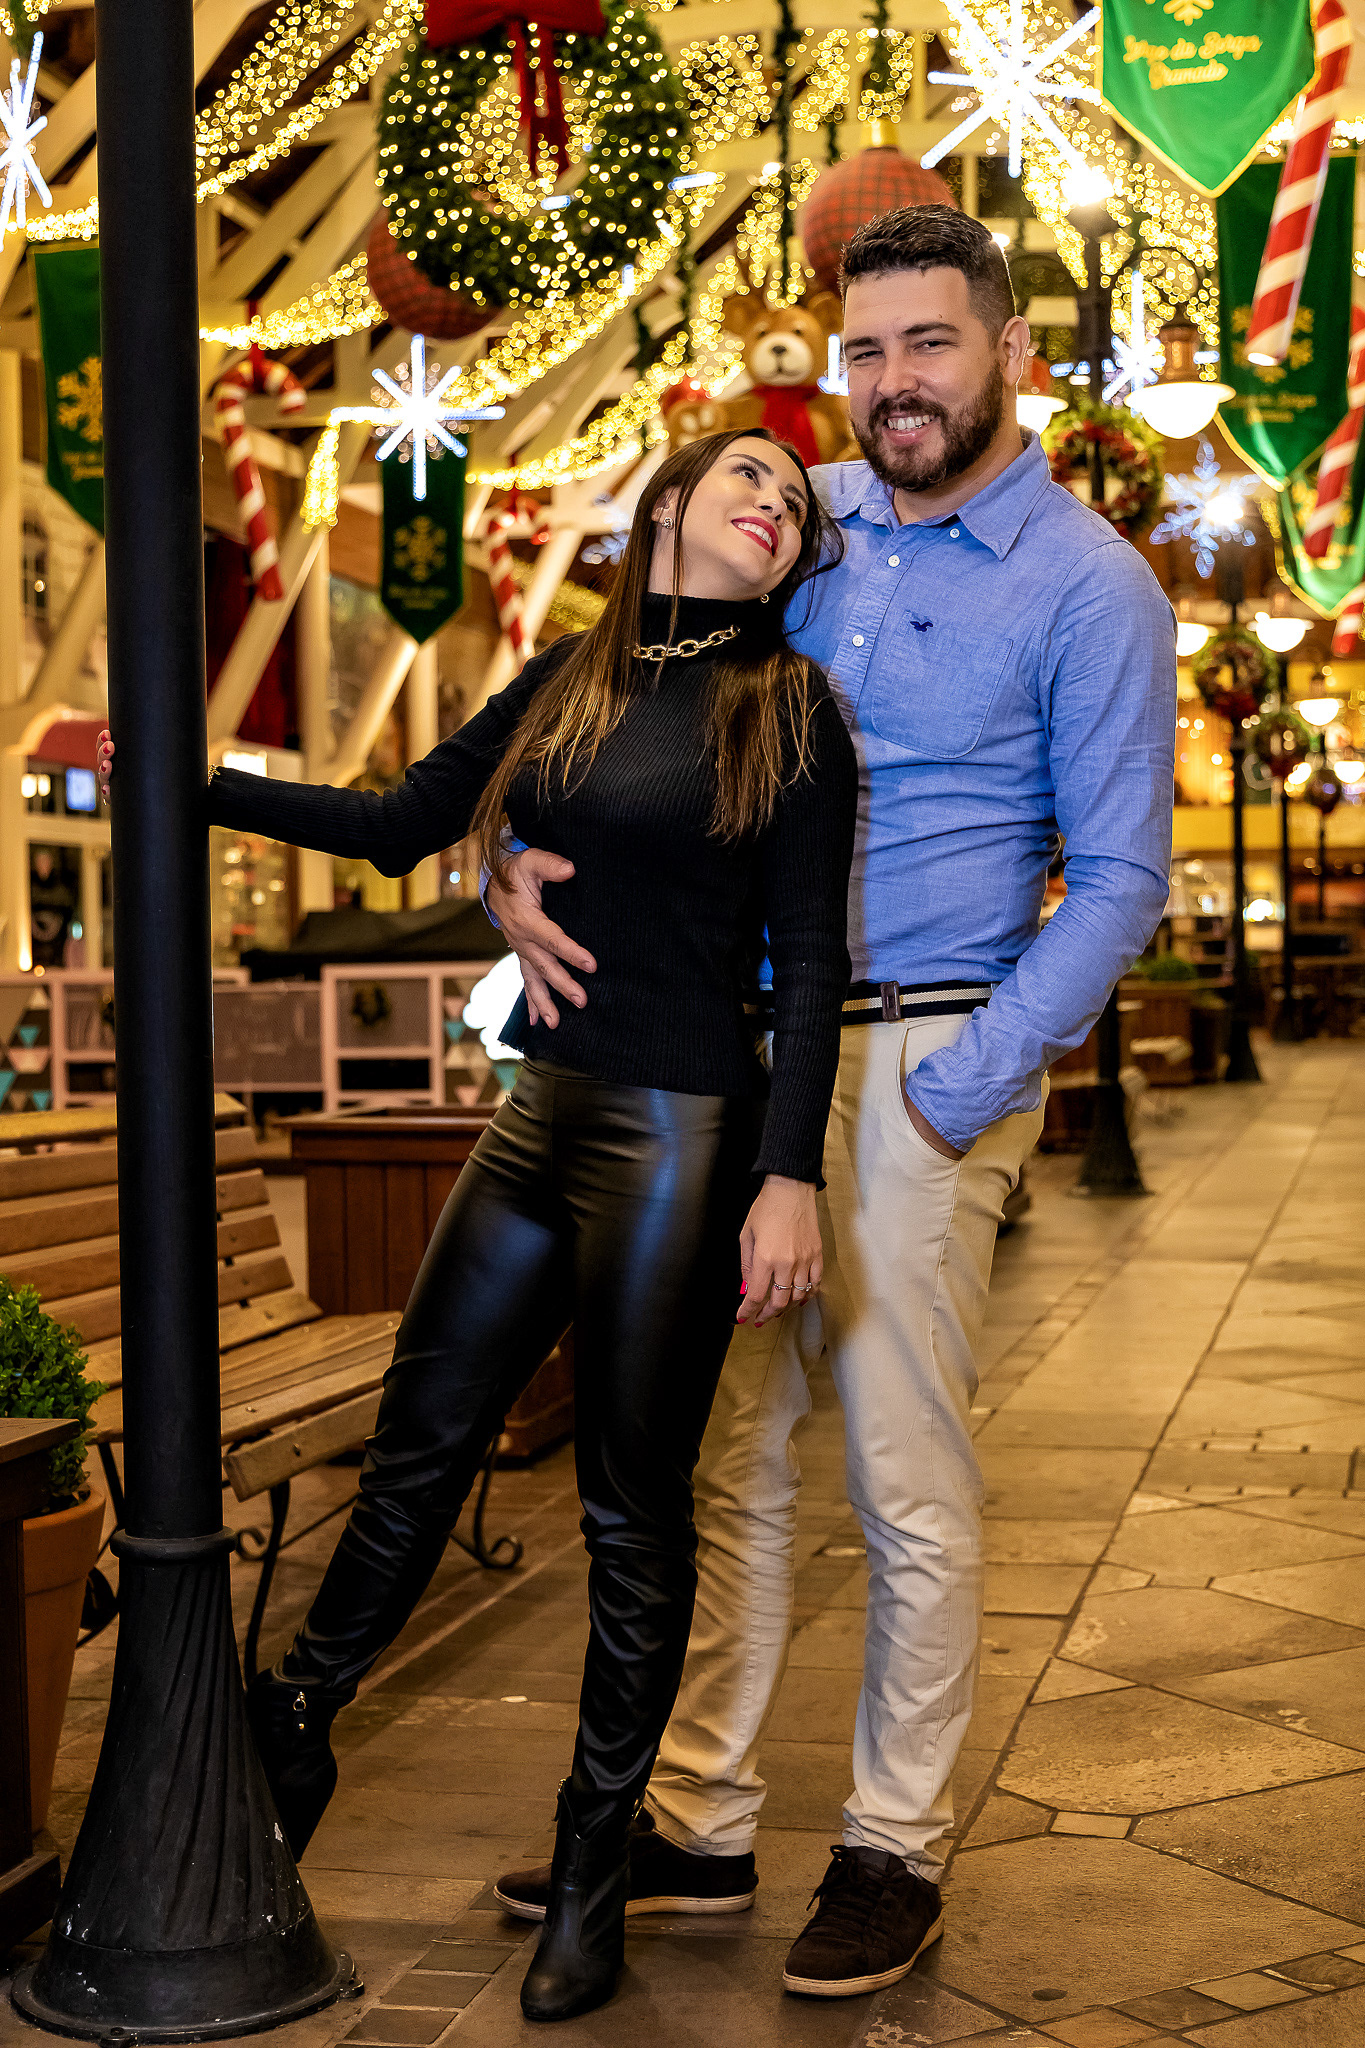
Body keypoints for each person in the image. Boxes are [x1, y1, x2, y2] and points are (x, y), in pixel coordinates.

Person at [489, 207, 1177, 1997]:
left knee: (899, 1471)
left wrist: (963, 1090)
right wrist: (508, 859)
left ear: (1008, 349)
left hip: (922, 1053)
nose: (891, 383)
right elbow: (618, 701)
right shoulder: (802, 529)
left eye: (928, 344)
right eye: (865, 351)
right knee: (725, 1455)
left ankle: (890, 1843)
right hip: (740, 1055)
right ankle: (701, 1817)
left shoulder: (1087, 583)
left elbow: (1119, 877)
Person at [98, 427, 855, 2025]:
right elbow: (400, 822)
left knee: (629, 1514)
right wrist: (190, 786)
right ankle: (292, 1734)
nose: (775, 506)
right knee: (417, 1450)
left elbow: (806, 959)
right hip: (536, 1116)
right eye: (748, 478)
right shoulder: (573, 677)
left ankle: (591, 1866)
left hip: (682, 1130)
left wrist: (787, 1177)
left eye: (794, 503)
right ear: (665, 503)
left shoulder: (787, 708)